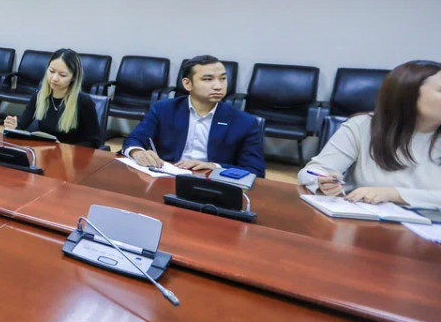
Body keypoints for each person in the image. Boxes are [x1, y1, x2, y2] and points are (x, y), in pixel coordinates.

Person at [298, 60, 441, 208]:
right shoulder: (363, 126)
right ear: (408, 94)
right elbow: (310, 172)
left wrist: (393, 194)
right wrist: (323, 182)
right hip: (364, 218)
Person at [124, 54, 266, 176]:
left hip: (213, 183)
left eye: (223, 79)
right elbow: (135, 138)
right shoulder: (164, 109)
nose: (218, 86)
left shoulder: (244, 122)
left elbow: (255, 170)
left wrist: (214, 166)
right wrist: (137, 151)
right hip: (166, 176)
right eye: (208, 79)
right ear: (187, 84)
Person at [3, 49, 103, 148]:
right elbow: (21, 126)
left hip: (71, 155)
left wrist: (65, 148)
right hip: (44, 153)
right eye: (51, 71)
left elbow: (94, 142)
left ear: (73, 77)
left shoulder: (84, 102)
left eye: (62, 75)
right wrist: (13, 126)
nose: (54, 78)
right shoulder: (39, 96)